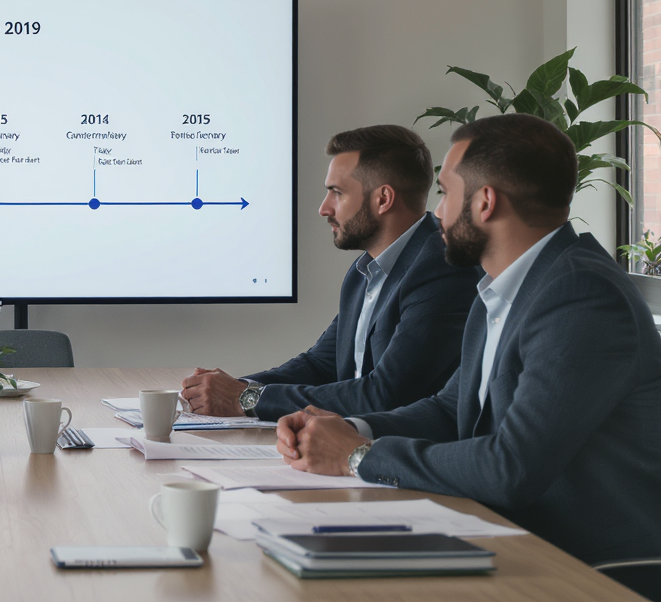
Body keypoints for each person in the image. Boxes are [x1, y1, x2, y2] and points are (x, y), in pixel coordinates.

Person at [275, 114, 661, 566]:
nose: (436, 212)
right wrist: (351, 428)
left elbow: (511, 467)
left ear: (485, 202)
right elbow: (449, 409)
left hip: (585, 567)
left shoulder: (581, 297)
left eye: (444, 192)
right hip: (506, 538)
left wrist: (359, 456)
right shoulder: (499, 289)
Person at [181, 125, 479, 420]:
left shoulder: (442, 268)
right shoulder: (363, 271)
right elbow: (321, 364)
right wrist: (235, 388)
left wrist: (245, 399)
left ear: (383, 199)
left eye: (337, 193)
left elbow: (384, 394)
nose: (324, 209)